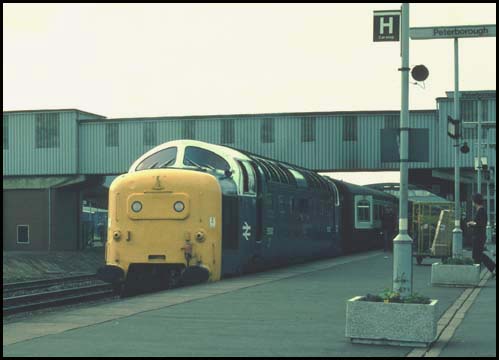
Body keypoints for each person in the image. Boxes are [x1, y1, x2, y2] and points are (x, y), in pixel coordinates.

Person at [467, 193, 496, 277]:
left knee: (477, 255)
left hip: (479, 236)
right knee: (478, 255)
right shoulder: (481, 211)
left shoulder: (481, 211)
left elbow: (479, 223)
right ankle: (482, 271)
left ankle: (490, 268)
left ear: (475, 201)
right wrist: (473, 223)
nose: (472, 202)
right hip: (479, 235)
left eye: (473, 200)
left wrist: (471, 223)